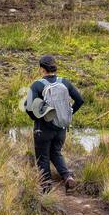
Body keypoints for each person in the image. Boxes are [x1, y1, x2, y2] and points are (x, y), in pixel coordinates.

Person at [24, 54, 84, 192]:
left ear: (42, 69)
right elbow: (80, 100)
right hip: (61, 127)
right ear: (54, 67)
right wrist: (68, 114)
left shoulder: (37, 85)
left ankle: (46, 188)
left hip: (43, 129)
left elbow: (27, 105)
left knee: (42, 157)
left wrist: (36, 118)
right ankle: (68, 177)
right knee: (56, 152)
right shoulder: (65, 82)